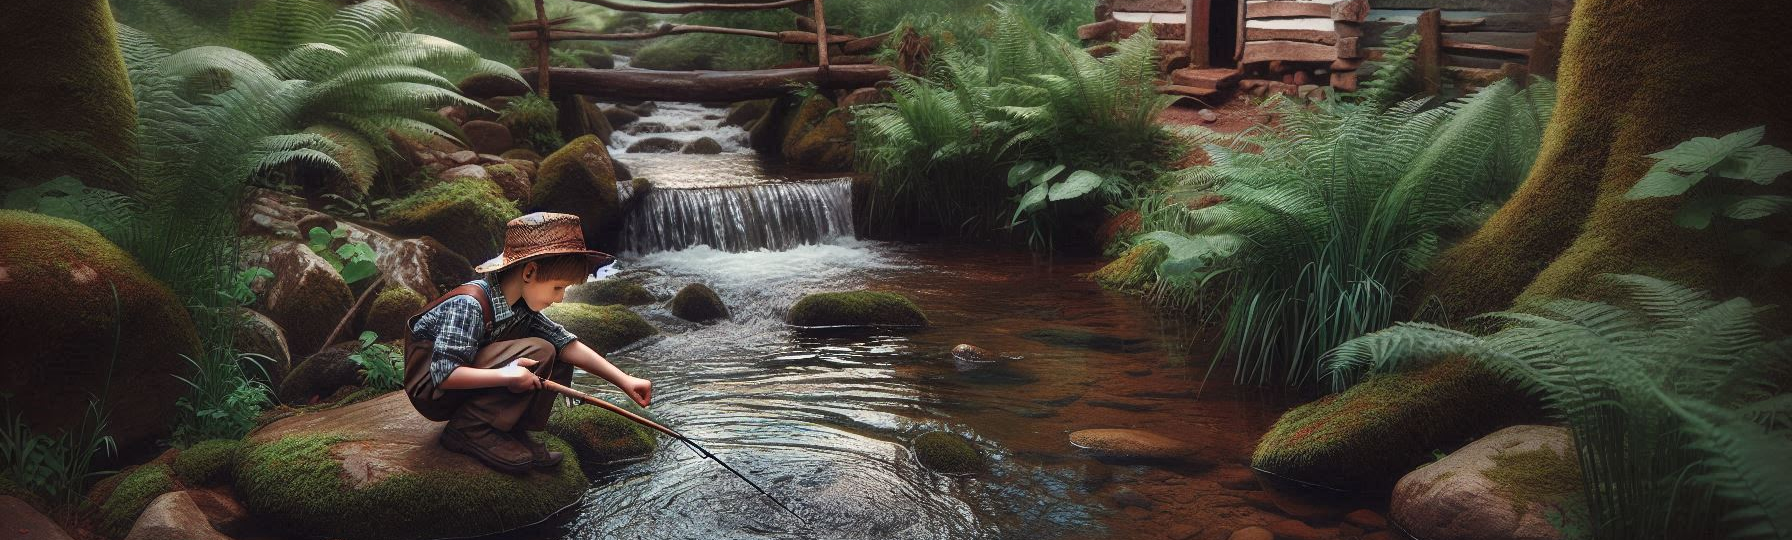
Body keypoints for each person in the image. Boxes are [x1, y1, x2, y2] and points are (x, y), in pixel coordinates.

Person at [402, 212, 652, 474]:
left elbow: (566, 343)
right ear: (530, 272)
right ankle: (469, 430)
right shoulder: (469, 304)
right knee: (540, 350)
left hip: (462, 383)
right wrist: (507, 376)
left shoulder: (520, 307)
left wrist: (625, 381)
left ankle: (509, 429)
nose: (560, 299)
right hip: (434, 391)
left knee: (552, 348)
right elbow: (444, 374)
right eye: (558, 287)